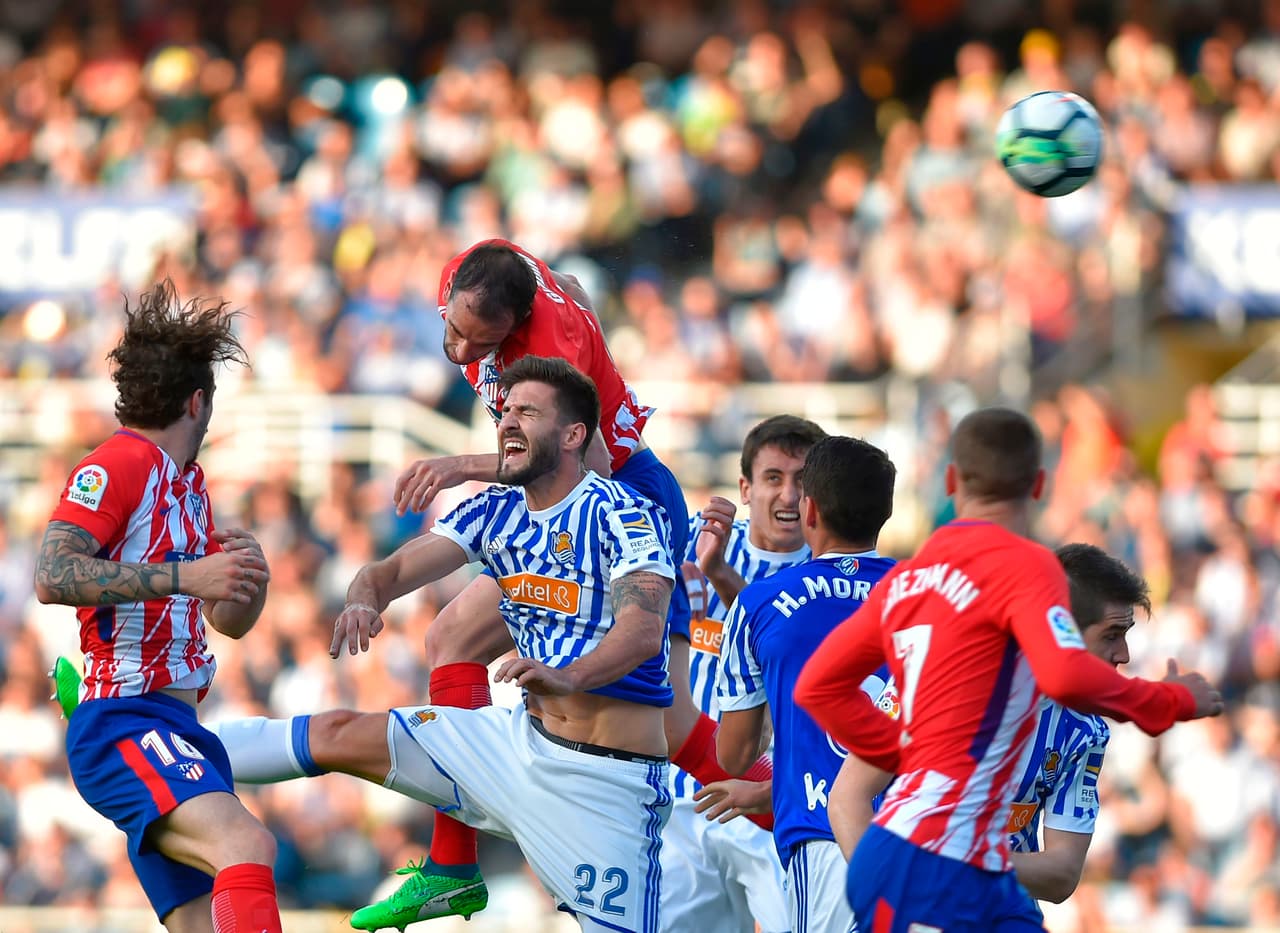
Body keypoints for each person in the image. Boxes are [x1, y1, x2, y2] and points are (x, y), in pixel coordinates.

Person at [205, 356, 677, 933]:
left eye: (528, 411)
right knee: (335, 732)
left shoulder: (623, 514)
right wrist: (363, 597)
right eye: (504, 411)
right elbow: (391, 570)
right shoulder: (493, 511)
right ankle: (158, 746)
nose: (508, 422)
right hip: (515, 745)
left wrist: (572, 675)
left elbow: (643, 628)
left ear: (574, 434)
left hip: (604, 785)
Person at [373, 239, 769, 920]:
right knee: (453, 637)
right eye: (455, 326)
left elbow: (564, 460)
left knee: (671, 727)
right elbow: (574, 287)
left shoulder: (549, 342)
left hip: (617, 500)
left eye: (481, 338)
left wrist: (463, 463)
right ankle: (452, 863)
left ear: (516, 324)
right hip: (566, 507)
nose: (462, 350)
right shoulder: (483, 274)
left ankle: (803, 814)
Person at [794, 406, 1224, 933]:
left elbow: (817, 686)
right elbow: (1065, 674)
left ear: (951, 482)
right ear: (1039, 483)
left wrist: (908, 753)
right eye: (1114, 636)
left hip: (969, 872)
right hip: (932, 861)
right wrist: (1169, 702)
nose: (1123, 655)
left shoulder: (909, 581)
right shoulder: (1028, 566)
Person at [34, 280, 282, 933]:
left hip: (179, 725)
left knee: (205, 920)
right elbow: (52, 573)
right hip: (122, 721)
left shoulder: (189, 488)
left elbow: (223, 623)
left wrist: (243, 588)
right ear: (198, 402)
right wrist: (185, 573)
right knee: (248, 845)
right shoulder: (117, 463)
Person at [824, 543, 1154, 913]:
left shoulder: (1086, 730)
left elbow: (1063, 873)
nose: (1124, 654)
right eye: (1111, 635)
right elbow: (847, 799)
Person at [714, 435, 898, 933]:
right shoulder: (927, 596)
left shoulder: (760, 603)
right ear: (886, 511)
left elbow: (734, 755)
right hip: (927, 838)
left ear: (809, 509)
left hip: (825, 842)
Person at [662, 414, 829, 933]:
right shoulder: (689, 543)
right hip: (685, 796)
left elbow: (789, 657)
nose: (787, 495)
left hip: (770, 797)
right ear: (744, 487)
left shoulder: (827, 571)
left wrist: (722, 579)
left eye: (802, 481)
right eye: (774, 478)